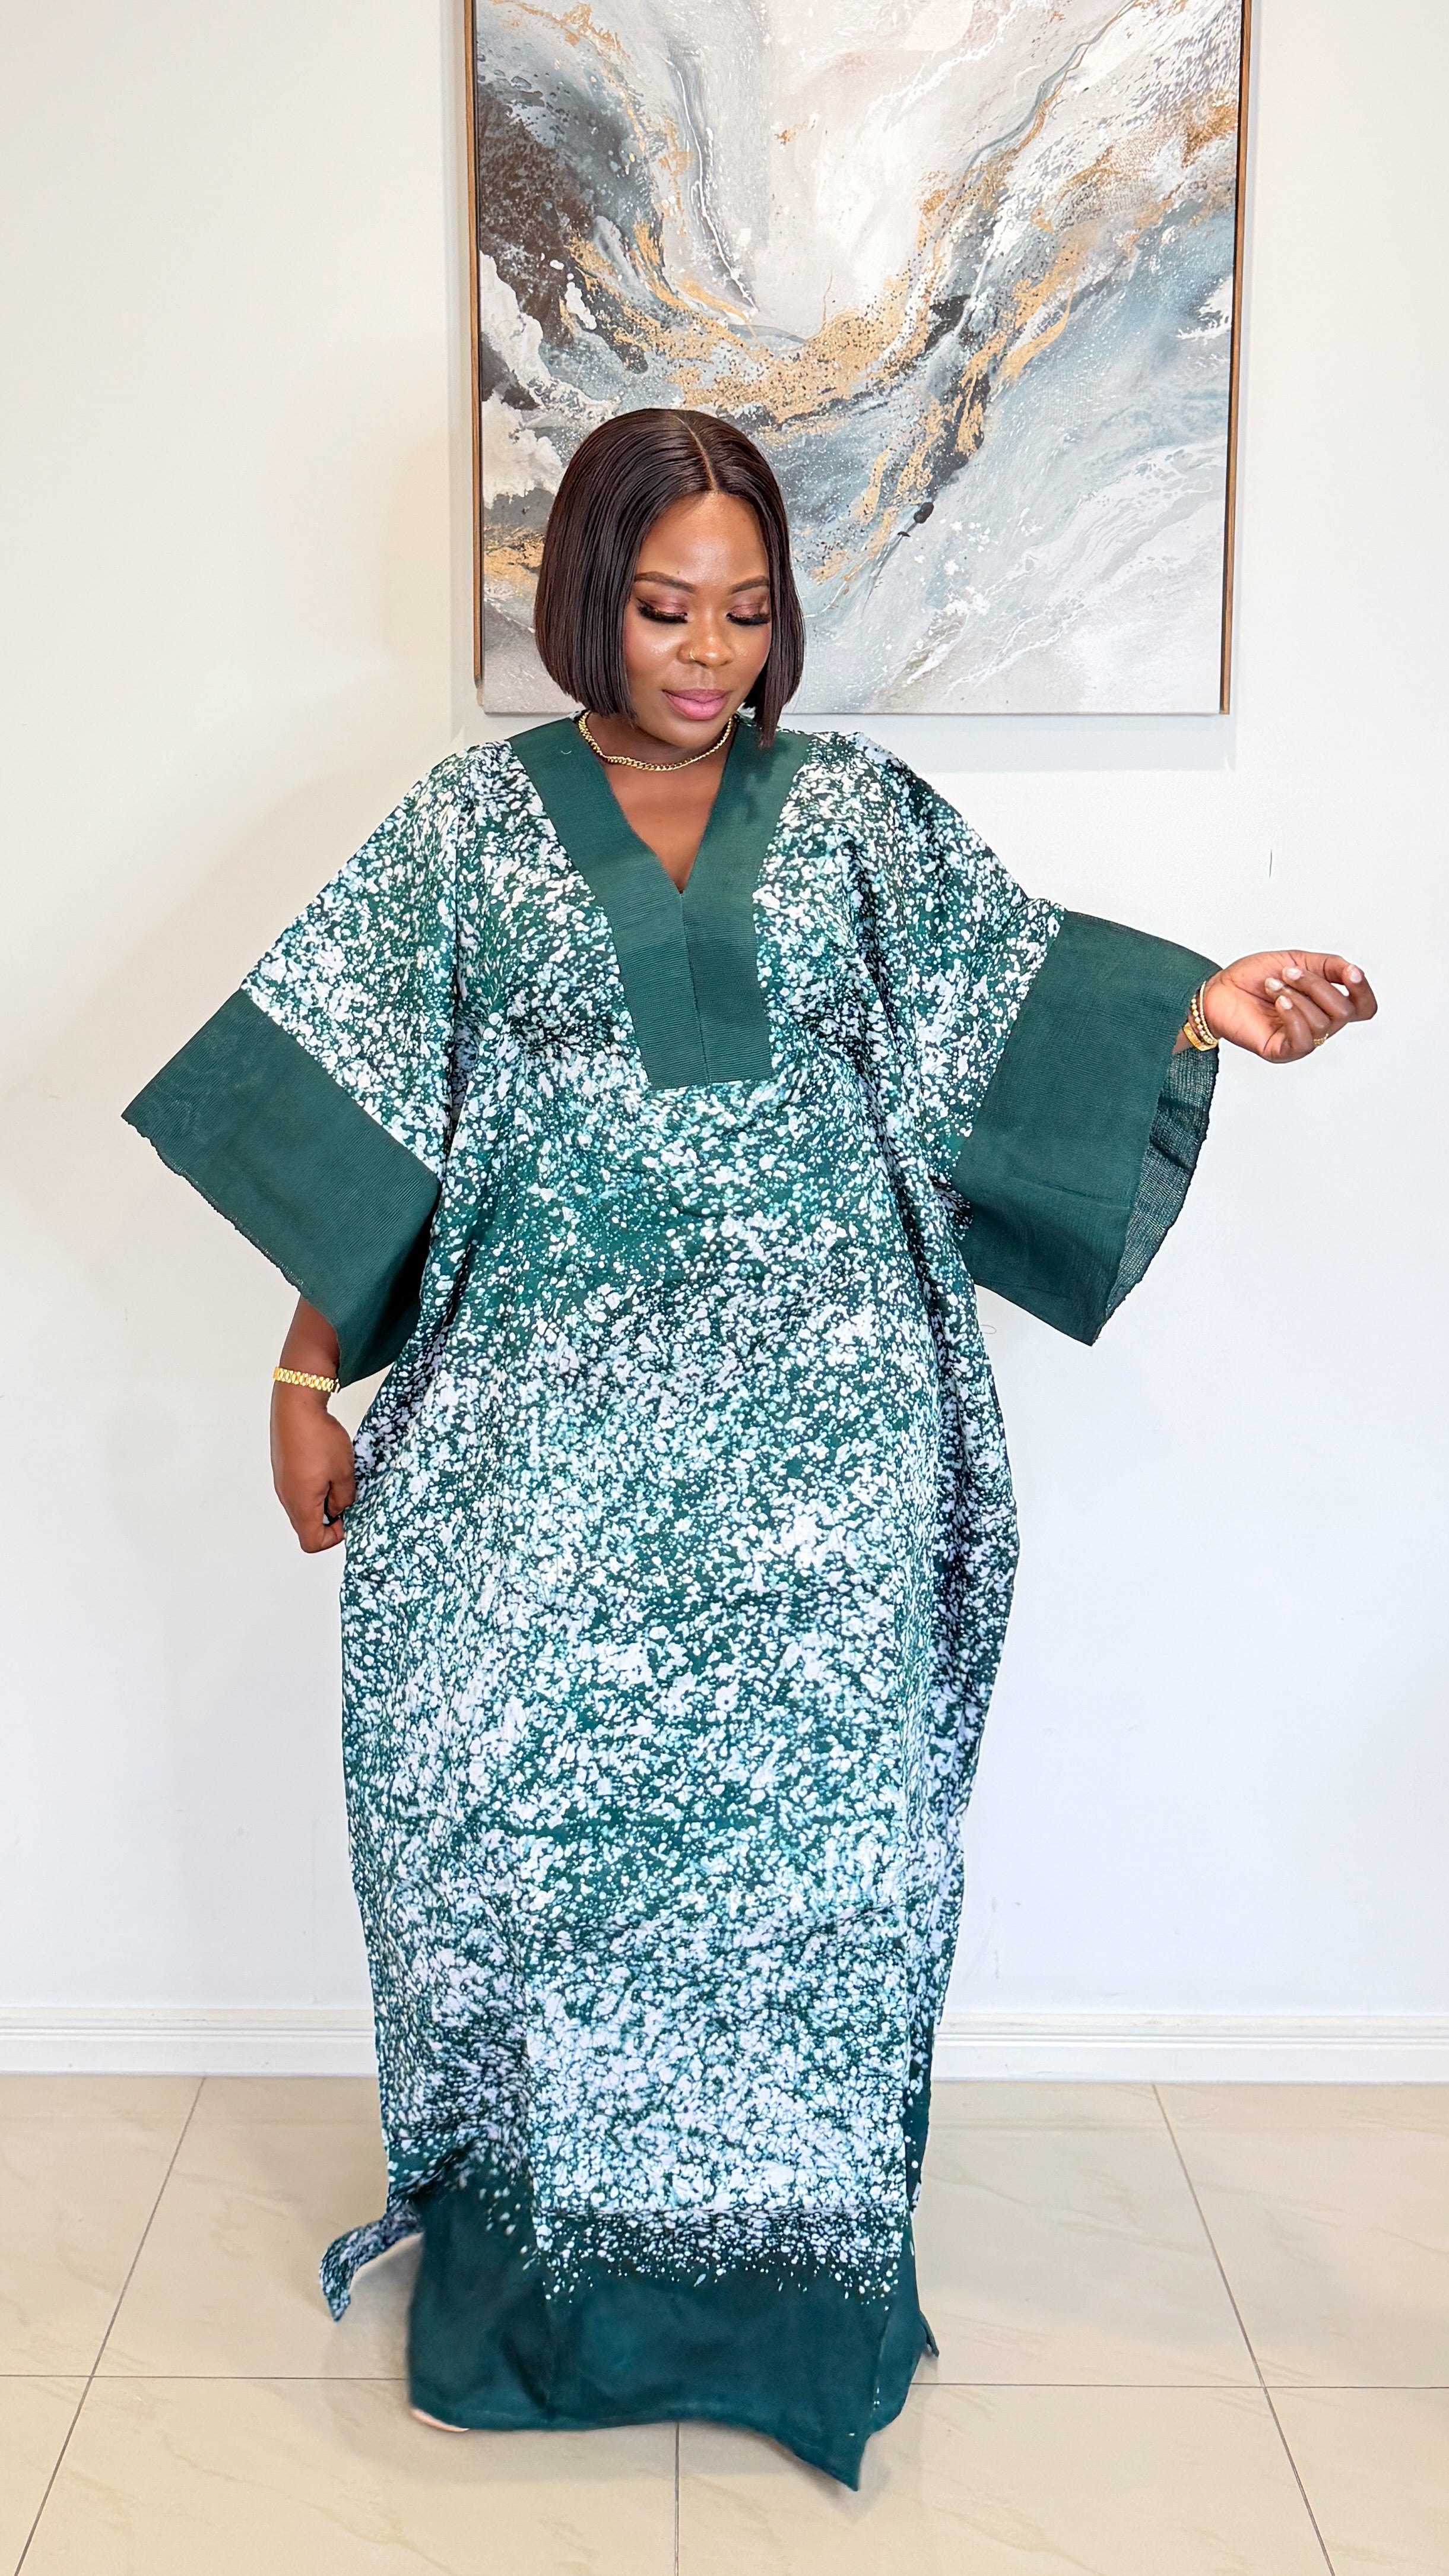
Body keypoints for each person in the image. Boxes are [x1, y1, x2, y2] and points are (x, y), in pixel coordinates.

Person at [123, 408, 1376, 2487]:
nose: (708, 653)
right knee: (523, 1859)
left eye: (745, 609)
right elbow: (374, 1132)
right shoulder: (465, 832)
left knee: (822, 1887)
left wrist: (1198, 1007)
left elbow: (1018, 1011)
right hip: (538, 1477)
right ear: (584, 601)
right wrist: (295, 1382)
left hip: (826, 1474)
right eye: (661, 607)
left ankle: (796, 2302)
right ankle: (540, 2304)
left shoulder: (863, 820)